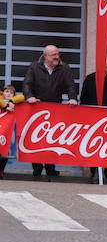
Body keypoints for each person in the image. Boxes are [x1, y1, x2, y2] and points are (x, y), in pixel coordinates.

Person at [23, 45, 77, 178]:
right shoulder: (34, 67)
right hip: (37, 108)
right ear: (45, 56)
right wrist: (29, 96)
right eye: (53, 55)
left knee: (51, 139)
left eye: (58, 54)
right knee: (35, 139)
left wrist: (73, 98)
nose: (57, 57)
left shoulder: (64, 68)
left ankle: (50, 167)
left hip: (55, 108)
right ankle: (36, 167)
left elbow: (70, 85)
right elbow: (27, 84)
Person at [0, 85, 25, 179]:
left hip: (5, 132)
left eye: (11, 93)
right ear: (2, 92)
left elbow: (22, 97)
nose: (9, 94)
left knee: (4, 152)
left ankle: (1, 171)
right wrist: (6, 106)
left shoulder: (14, 102)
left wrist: (11, 101)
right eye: (7, 91)